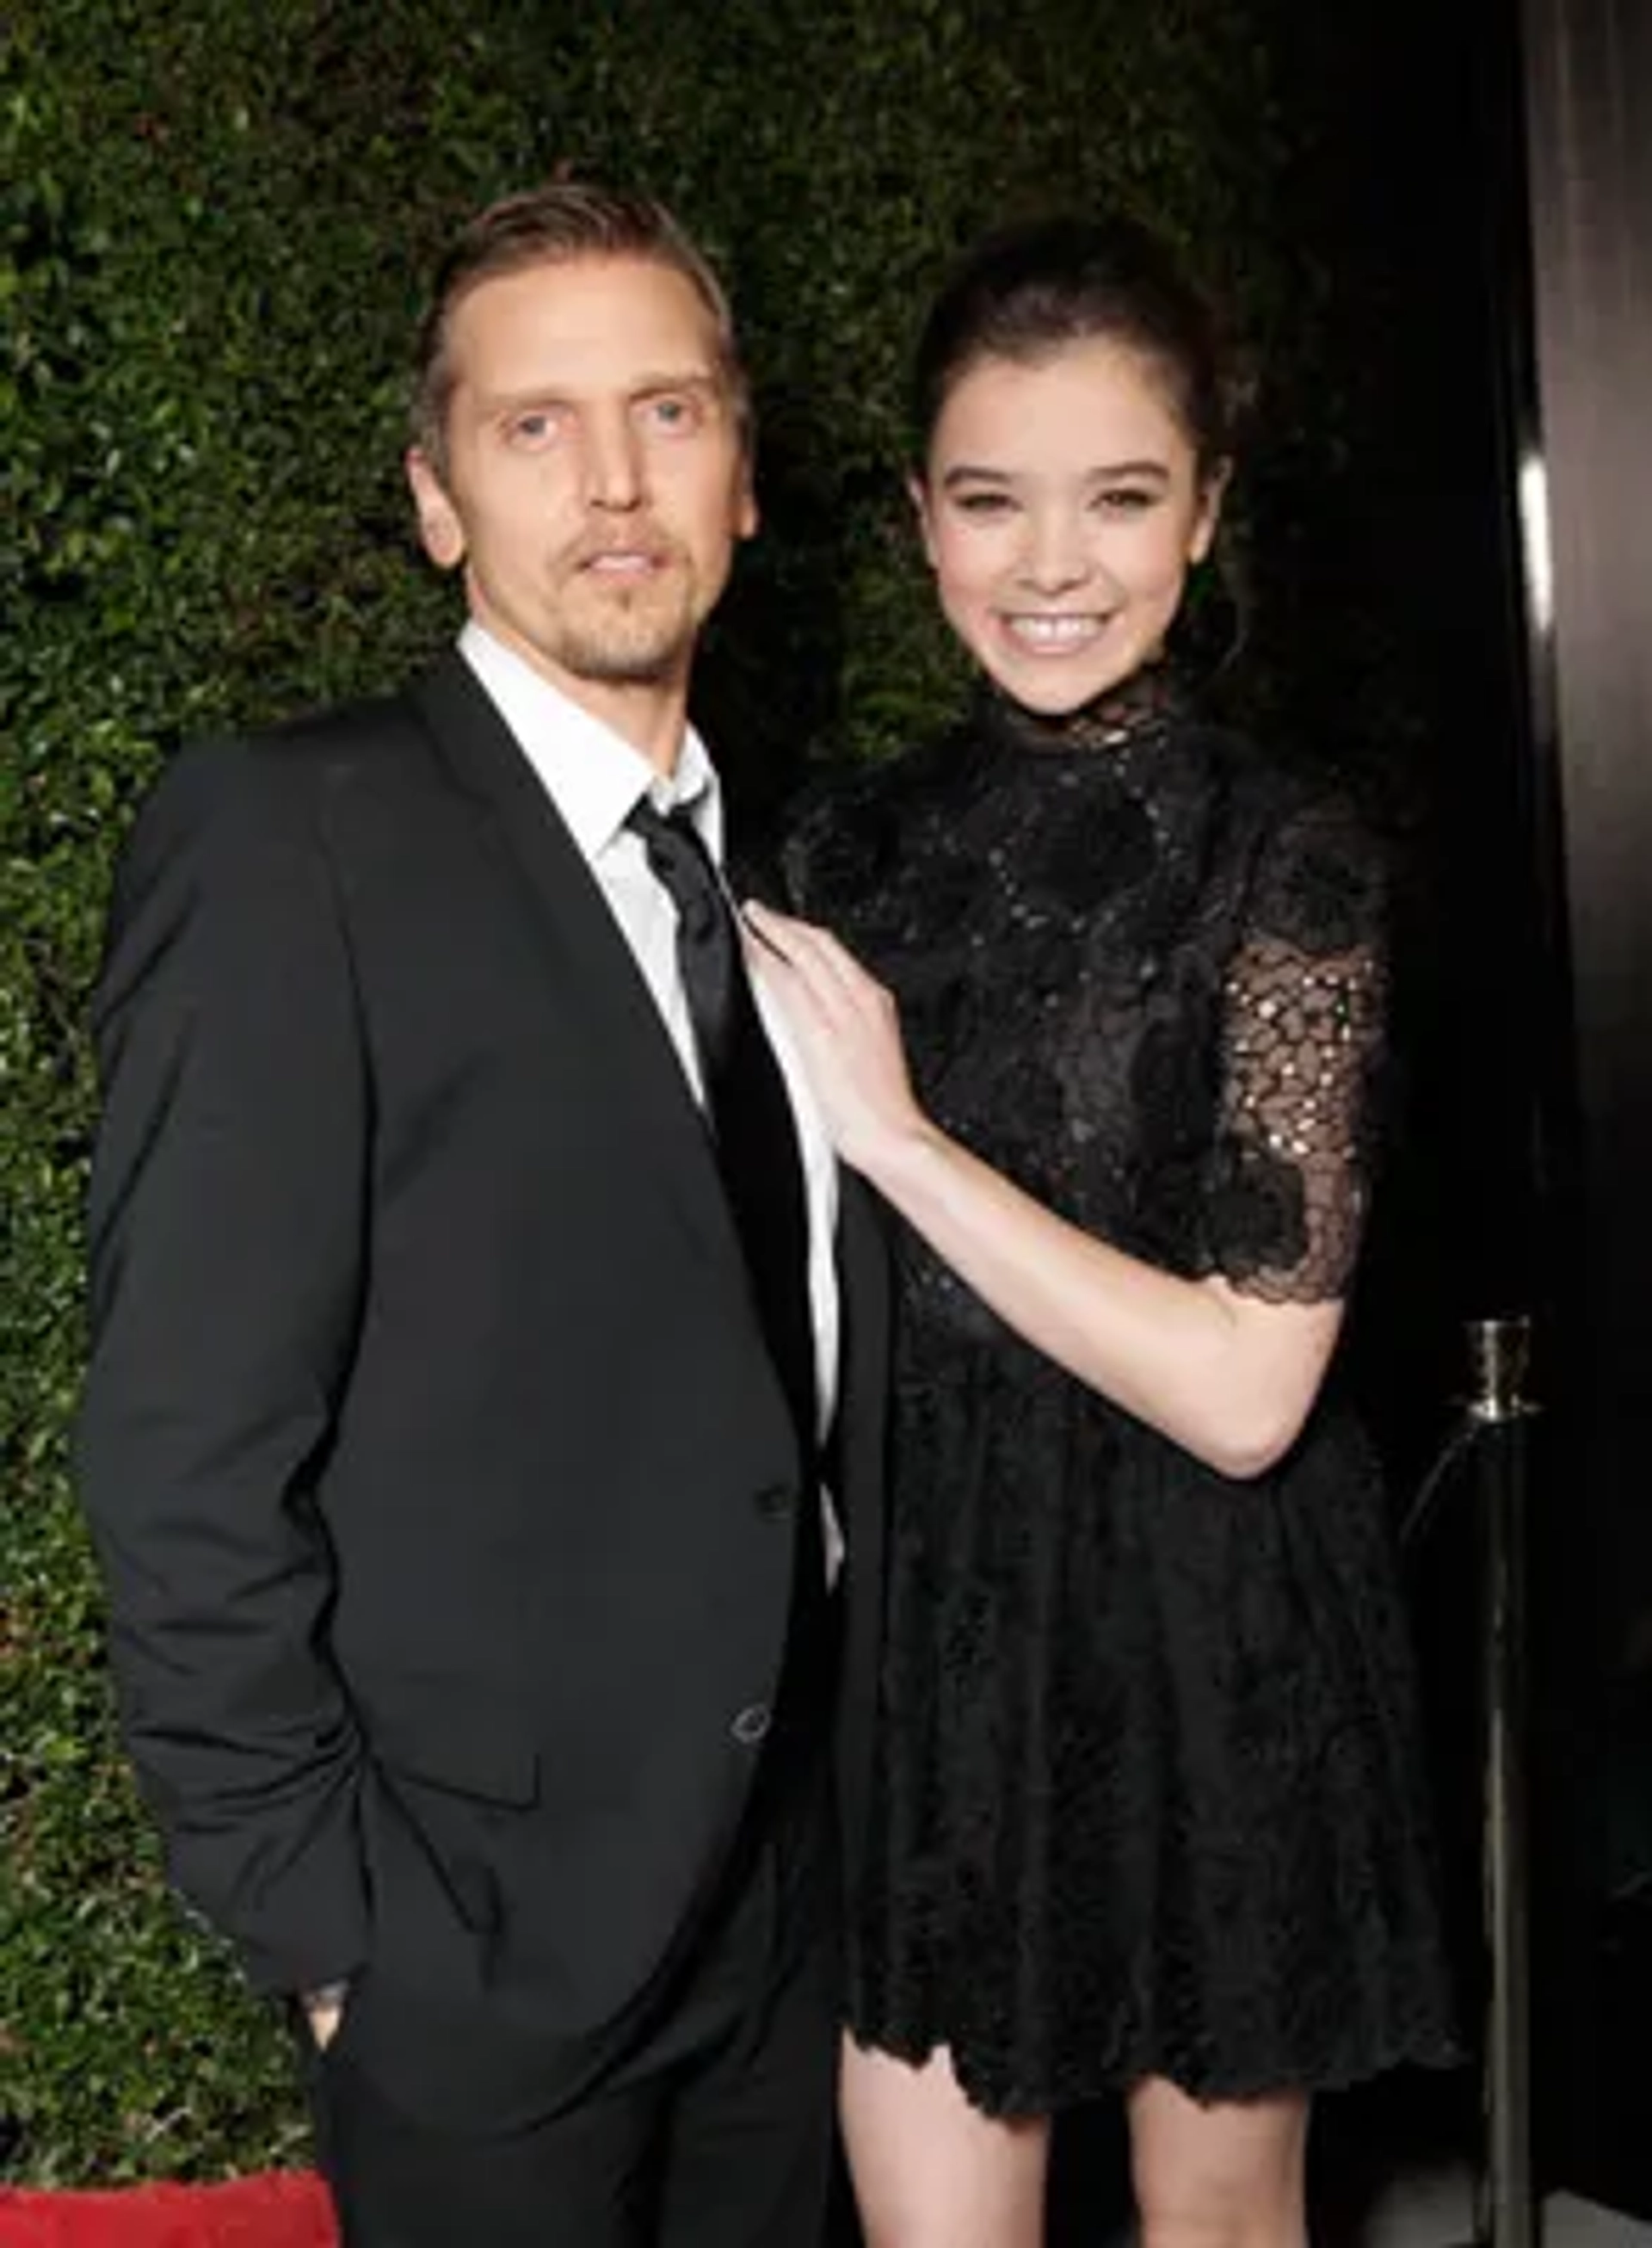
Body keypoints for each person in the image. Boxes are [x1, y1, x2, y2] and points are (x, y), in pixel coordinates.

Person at [73, 182, 888, 2248]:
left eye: (669, 413)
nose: (615, 483)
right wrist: (340, 1938)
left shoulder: (786, 871)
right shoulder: (292, 838)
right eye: (535, 429)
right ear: (437, 497)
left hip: (782, 1926)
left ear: (746, 474)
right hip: (475, 1959)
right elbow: (184, 1447)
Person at [753, 213, 1458, 2248]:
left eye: (1120, 498)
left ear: (1208, 510)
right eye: (993, 501)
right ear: (919, 521)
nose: (1053, 566)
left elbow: (1250, 1393)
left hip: (1214, 1633)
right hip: (932, 1643)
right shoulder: (831, 850)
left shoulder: (1291, 856)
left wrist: (904, 1144)